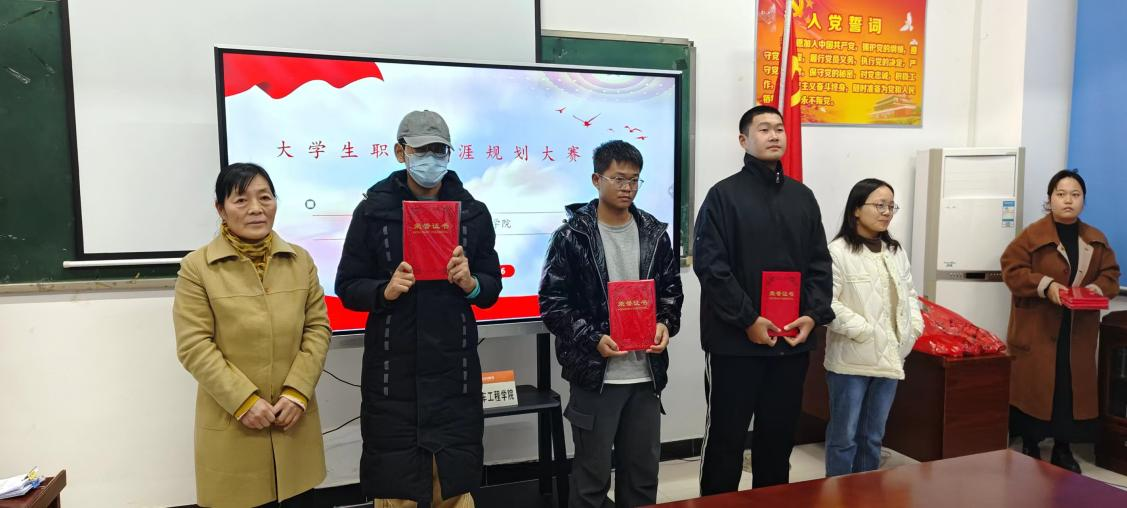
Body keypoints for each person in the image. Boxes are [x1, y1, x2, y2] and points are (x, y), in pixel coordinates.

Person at [335, 110, 503, 507]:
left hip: (454, 374)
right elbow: (347, 287)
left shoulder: (473, 213)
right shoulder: (373, 212)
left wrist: (472, 283)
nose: (431, 158)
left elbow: (491, 287)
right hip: (394, 376)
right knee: (398, 489)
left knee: (453, 486)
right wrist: (385, 290)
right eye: (421, 149)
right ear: (400, 152)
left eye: (439, 150)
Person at [693, 105, 834, 495]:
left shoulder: (802, 197)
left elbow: (820, 264)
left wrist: (812, 315)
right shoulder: (723, 196)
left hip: (790, 344)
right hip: (735, 344)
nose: (774, 135)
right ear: (743, 140)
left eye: (779, 128)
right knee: (726, 441)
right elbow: (711, 267)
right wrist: (748, 320)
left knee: (778, 440)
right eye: (763, 129)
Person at [174, 162, 331, 508]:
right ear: (221, 209)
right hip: (235, 425)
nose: (256, 209)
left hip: (293, 421)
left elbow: (318, 329)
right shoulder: (197, 268)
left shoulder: (301, 261)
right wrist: (244, 401)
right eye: (241, 200)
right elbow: (194, 346)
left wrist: (297, 393)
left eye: (265, 197)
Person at [539, 140, 684, 508]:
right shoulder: (572, 236)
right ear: (596, 179)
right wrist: (592, 338)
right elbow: (552, 305)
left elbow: (671, 292)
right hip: (596, 376)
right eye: (618, 178)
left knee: (643, 477)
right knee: (591, 481)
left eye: (634, 180)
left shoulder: (654, 233)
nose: (627, 188)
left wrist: (665, 324)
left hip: (645, 375)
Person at [1001, 169, 1120, 473]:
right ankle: (1030, 444)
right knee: (1035, 387)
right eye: (1061, 194)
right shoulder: (1032, 235)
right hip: (1038, 328)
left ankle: (1063, 449)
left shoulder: (1096, 239)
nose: (1068, 200)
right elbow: (1011, 269)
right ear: (1050, 198)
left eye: (1075, 195)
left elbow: (1111, 275)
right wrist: (1046, 285)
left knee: (1068, 389)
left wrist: (1096, 288)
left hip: (1076, 329)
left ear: (1083, 201)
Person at [823, 178, 924, 477]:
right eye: (879, 205)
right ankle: (837, 494)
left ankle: (867, 494)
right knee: (844, 438)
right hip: (851, 360)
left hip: (890, 356)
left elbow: (909, 294)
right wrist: (865, 331)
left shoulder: (894, 250)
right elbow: (826, 303)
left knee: (873, 437)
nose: (886, 212)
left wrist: (913, 329)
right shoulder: (837, 251)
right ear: (856, 209)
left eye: (891, 206)